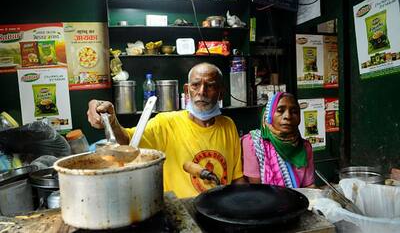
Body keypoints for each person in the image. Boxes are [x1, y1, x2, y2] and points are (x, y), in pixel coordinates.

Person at [87, 62, 245, 198]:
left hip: (220, 211)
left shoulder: (228, 125)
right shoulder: (165, 123)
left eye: (210, 86)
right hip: (183, 213)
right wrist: (112, 121)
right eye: (195, 85)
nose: (201, 92)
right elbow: (127, 143)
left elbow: (237, 178)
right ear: (186, 90)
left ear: (221, 93)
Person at [242, 92, 315, 188]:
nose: (288, 116)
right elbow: (257, 189)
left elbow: (309, 186)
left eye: (294, 112)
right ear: (268, 116)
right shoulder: (254, 143)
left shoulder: (304, 147)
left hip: (298, 201)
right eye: (280, 110)